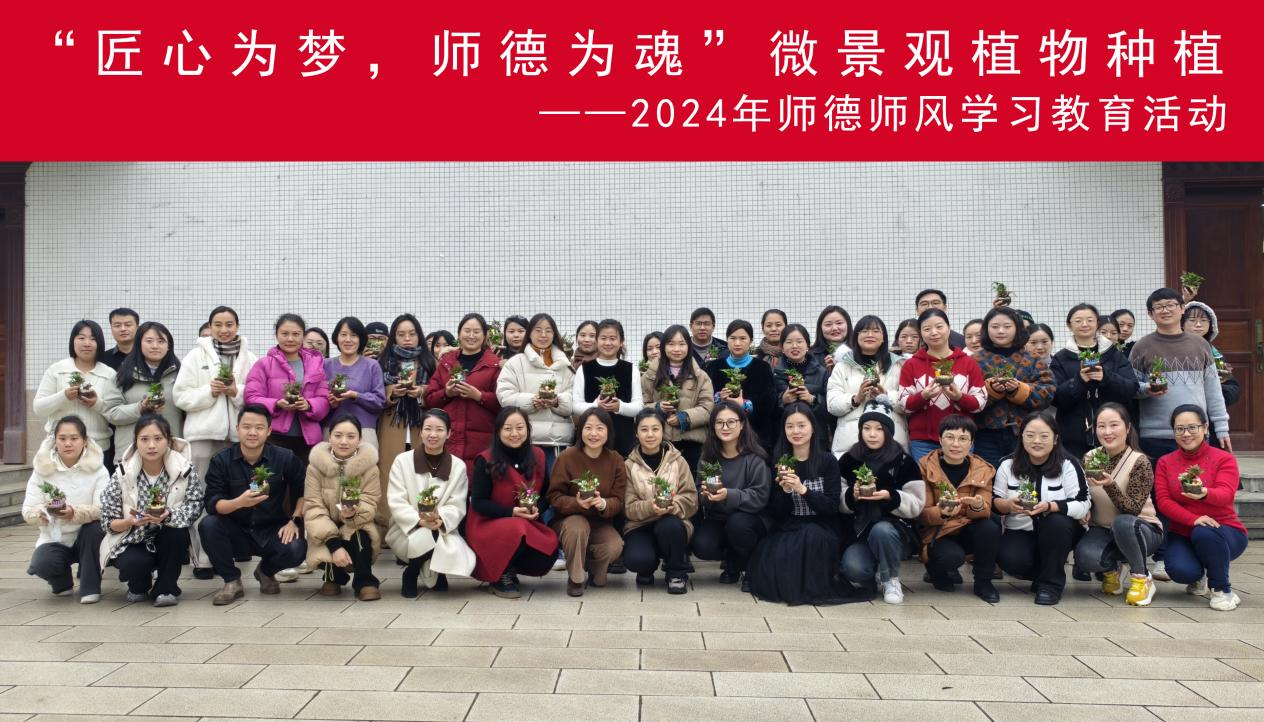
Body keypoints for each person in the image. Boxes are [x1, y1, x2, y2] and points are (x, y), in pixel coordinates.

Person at [199, 404, 307, 605]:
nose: (252, 432)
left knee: (296, 547)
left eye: (259, 427)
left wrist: (295, 520)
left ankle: (265, 571)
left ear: (269, 431)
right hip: (236, 529)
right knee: (208, 525)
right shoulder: (221, 461)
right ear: (237, 429)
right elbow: (212, 503)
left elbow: (303, 491)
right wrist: (238, 503)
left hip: (272, 528)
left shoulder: (284, 458)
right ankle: (232, 580)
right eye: (247, 427)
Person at [748, 402, 850, 605]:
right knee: (777, 552)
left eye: (801, 425)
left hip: (822, 527)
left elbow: (831, 506)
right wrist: (786, 491)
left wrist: (802, 489)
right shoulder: (779, 461)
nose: (796, 431)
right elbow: (776, 512)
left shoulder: (827, 461)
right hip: (790, 526)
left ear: (813, 428)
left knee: (810, 537)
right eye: (790, 426)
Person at [99, 415, 204, 606]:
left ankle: (166, 589)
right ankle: (139, 584)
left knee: (177, 534)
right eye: (144, 439)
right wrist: (130, 521)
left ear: (168, 440)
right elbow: (108, 518)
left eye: (158, 438)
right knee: (134, 567)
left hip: (167, 535)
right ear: (136, 442)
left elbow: (195, 504)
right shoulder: (123, 473)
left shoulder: (184, 469)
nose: (151, 445)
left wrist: (169, 515)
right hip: (133, 537)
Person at [1154, 404, 1247, 611]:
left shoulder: (1224, 458)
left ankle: (1222, 589)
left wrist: (1204, 493)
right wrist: (1193, 519)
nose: (1186, 434)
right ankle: (1199, 575)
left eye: (1192, 427)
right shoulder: (1165, 462)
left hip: (1224, 530)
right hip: (1183, 531)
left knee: (1204, 532)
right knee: (1180, 570)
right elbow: (1164, 501)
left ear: (1205, 428)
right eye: (1179, 429)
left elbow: (1226, 494)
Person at [994, 410, 1090, 605]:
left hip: (1060, 532)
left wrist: (1051, 506)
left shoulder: (1069, 464)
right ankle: (1042, 573)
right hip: (1021, 531)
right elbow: (995, 502)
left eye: (1044, 436)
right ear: (1021, 437)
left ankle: (1051, 585)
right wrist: (1009, 504)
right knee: (1009, 558)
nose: (1036, 441)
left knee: (1055, 521)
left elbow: (1083, 503)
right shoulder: (1007, 464)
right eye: (1030, 435)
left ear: (1055, 439)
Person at [1072, 403, 1162, 607]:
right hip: (1103, 528)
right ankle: (1114, 570)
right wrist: (1085, 509)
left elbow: (1132, 509)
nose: (1107, 432)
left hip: (1141, 529)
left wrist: (1110, 485)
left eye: (1114, 425)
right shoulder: (1090, 457)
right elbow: (1085, 494)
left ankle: (1142, 577)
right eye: (1101, 426)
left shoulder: (1140, 461)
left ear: (1127, 428)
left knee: (1123, 523)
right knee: (1085, 558)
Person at [465, 407, 560, 599]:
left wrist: (537, 509)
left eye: (520, 427)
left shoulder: (538, 456)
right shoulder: (486, 460)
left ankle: (510, 566)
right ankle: (500, 575)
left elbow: (546, 494)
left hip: (526, 521)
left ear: (528, 429)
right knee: (517, 528)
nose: (514, 433)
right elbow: (479, 503)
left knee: (549, 549)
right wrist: (511, 512)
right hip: (487, 525)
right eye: (508, 428)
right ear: (498, 431)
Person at [1130, 288, 1231, 460]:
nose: (1165, 310)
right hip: (1156, 435)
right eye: (1159, 307)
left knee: (1195, 478)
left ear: (1182, 308)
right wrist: (1147, 389)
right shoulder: (1141, 347)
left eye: (1171, 305)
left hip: (1195, 432)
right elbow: (1131, 388)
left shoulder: (1201, 345)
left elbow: (1213, 391)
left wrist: (1222, 428)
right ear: (1150, 314)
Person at [839, 405, 925, 604]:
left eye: (879, 429)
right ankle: (874, 572)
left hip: (895, 533)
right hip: (860, 532)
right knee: (854, 569)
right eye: (867, 428)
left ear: (888, 431)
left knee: (882, 530)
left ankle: (890, 579)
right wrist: (852, 495)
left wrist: (891, 496)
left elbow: (917, 504)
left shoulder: (903, 461)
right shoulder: (849, 459)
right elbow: (837, 499)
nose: (872, 434)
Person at [386, 409, 477, 597]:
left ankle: (428, 567)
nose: (433, 434)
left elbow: (457, 504)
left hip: (442, 527)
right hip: (406, 528)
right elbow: (396, 500)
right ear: (420, 432)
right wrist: (419, 521)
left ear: (449, 433)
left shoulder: (458, 466)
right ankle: (412, 571)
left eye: (439, 430)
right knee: (424, 534)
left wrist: (440, 518)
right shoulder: (402, 461)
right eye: (428, 429)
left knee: (434, 533)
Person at [22, 416, 109, 604]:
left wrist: (73, 512)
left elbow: (103, 509)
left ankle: (90, 588)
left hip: (87, 537)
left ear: (84, 441)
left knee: (94, 529)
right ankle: (62, 583)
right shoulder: (42, 469)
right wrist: (43, 512)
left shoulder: (99, 470)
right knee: (42, 564)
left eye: (74, 438)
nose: (68, 443)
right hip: (54, 537)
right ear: (55, 441)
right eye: (62, 438)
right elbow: (28, 511)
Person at [917, 415, 1001, 602]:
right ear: (940, 439)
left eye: (963, 439)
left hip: (968, 526)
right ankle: (936, 572)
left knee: (990, 526)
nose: (956, 444)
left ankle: (983, 582)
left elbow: (986, 509)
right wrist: (941, 512)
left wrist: (977, 506)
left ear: (971, 443)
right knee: (949, 558)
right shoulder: (925, 467)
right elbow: (921, 513)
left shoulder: (983, 469)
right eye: (950, 437)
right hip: (940, 531)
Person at [690, 401, 770, 592]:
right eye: (719, 423)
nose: (725, 427)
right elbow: (699, 490)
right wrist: (706, 495)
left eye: (731, 422)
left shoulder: (754, 458)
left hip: (750, 519)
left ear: (742, 424)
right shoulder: (708, 456)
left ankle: (752, 567)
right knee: (702, 546)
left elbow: (760, 496)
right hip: (718, 517)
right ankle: (733, 560)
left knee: (738, 524)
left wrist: (729, 495)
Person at [547, 408, 627, 596]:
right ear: (580, 430)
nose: (593, 434)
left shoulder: (615, 459)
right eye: (588, 427)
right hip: (569, 521)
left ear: (608, 431)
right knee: (578, 526)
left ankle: (593, 569)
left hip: (599, 523)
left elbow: (619, 500)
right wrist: (576, 504)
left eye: (600, 428)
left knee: (614, 545)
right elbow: (553, 496)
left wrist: (603, 503)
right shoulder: (567, 457)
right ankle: (576, 578)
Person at [303, 415, 383, 601]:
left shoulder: (370, 467)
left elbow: (371, 501)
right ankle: (333, 576)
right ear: (329, 436)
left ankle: (364, 581)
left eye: (351, 436)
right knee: (323, 536)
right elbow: (313, 507)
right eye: (338, 435)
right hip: (325, 526)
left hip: (356, 523)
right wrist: (334, 544)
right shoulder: (315, 467)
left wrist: (354, 513)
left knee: (361, 537)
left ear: (360, 439)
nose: (344, 441)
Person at [173, 306, 258, 479]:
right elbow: (180, 396)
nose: (224, 330)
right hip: (202, 436)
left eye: (229, 325)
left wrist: (237, 392)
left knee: (236, 484)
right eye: (218, 325)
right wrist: (209, 392)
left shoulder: (250, 359)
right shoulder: (195, 356)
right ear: (210, 327)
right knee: (199, 484)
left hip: (239, 436)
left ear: (237, 326)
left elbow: (258, 395)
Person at [622, 409, 698, 594]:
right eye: (644, 429)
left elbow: (691, 498)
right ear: (636, 433)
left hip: (672, 522)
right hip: (640, 525)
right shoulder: (628, 465)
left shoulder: (678, 461)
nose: (650, 434)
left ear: (663, 431)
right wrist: (651, 506)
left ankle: (676, 573)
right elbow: (628, 507)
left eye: (655, 429)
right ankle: (647, 567)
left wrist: (672, 505)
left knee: (669, 526)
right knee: (637, 560)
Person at [897, 309, 986, 462]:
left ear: (949, 328)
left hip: (960, 438)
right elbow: (903, 405)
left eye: (939, 327)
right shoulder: (911, 364)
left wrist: (960, 397)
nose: (934, 332)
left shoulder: (968, 362)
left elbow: (980, 403)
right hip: (923, 441)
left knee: (959, 478)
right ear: (921, 333)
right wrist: (923, 396)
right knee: (926, 478)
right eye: (927, 329)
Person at [1050, 304, 1138, 459]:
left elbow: (1131, 388)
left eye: (1090, 320)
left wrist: (1106, 377)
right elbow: (1055, 398)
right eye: (1078, 321)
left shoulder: (1113, 354)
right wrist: (1079, 381)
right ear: (1069, 326)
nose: (1084, 324)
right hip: (1073, 437)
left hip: (1112, 435)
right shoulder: (1061, 358)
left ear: (1097, 323)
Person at [972, 307, 1055, 469]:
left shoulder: (1032, 358)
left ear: (1017, 328)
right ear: (986, 329)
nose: (1001, 331)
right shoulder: (975, 360)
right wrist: (991, 391)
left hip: (1025, 433)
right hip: (985, 434)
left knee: (1023, 477)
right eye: (995, 326)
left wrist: (1018, 390)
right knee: (987, 476)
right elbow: (966, 395)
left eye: (1007, 326)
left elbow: (1048, 391)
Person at [496, 313, 575, 476]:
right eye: (538, 330)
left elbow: (575, 398)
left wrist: (557, 401)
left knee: (554, 487)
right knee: (526, 488)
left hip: (557, 443)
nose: (543, 335)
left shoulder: (565, 365)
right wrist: (532, 401)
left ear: (554, 334)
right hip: (525, 441)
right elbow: (504, 396)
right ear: (530, 333)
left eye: (548, 331)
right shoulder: (515, 363)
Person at [245, 314, 330, 464]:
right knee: (273, 478)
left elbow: (324, 399)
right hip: (273, 437)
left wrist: (309, 405)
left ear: (303, 336)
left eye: (296, 334)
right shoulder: (264, 364)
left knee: (304, 478)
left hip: (307, 440)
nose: (290, 339)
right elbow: (251, 397)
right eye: (285, 334)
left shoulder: (315, 364)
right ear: (276, 335)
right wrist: (276, 404)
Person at [33, 320, 117, 470]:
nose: (87, 343)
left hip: (97, 449)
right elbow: (39, 408)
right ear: (73, 341)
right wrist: (63, 396)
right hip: (60, 448)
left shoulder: (109, 374)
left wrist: (96, 403)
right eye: (81, 338)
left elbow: (115, 414)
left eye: (93, 339)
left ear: (99, 344)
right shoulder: (57, 370)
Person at [424, 313, 503, 470]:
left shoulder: (495, 365)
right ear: (459, 334)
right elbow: (429, 400)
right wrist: (446, 394)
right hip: (448, 440)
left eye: (476, 331)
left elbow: (503, 403)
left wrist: (479, 396)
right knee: (447, 481)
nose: (471, 336)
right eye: (467, 331)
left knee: (477, 480)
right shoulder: (446, 362)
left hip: (482, 442)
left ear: (485, 335)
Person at [827, 315, 907, 456]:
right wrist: (855, 399)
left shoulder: (899, 365)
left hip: (892, 443)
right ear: (856, 336)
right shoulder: (842, 365)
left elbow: (908, 403)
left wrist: (886, 396)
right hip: (850, 443)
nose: (870, 335)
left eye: (876, 331)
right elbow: (832, 404)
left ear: (884, 337)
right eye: (864, 331)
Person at [102, 321, 184, 457]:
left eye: (161, 341)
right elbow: (111, 412)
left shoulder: (181, 375)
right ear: (139, 344)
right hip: (131, 453)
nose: (155, 346)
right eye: (149, 341)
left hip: (171, 452)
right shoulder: (122, 376)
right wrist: (140, 408)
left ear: (168, 345)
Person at [642, 325, 714, 475]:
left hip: (692, 445)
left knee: (691, 483)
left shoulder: (701, 376)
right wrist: (658, 408)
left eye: (682, 344)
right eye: (671, 344)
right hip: (660, 443)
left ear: (689, 346)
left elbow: (708, 408)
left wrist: (684, 417)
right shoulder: (650, 375)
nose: (676, 349)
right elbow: (642, 404)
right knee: (661, 485)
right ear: (663, 347)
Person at [377, 313, 437, 485]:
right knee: (390, 473)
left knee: (421, 476)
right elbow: (374, 393)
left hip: (422, 423)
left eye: (412, 334)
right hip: (391, 424)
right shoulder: (382, 362)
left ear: (419, 335)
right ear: (394, 337)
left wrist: (422, 391)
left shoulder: (430, 362)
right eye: (401, 334)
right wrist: (392, 392)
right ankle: (387, 505)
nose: (407, 339)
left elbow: (439, 392)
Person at [705, 320, 778, 453]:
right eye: (733, 338)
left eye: (743, 338)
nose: (737, 343)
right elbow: (705, 398)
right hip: (722, 435)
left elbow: (770, 402)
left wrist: (745, 404)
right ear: (727, 340)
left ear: (751, 341)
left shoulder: (762, 367)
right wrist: (719, 398)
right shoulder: (714, 367)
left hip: (756, 436)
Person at [572, 319, 644, 455]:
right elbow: (575, 406)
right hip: (591, 440)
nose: (608, 343)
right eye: (603, 338)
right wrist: (595, 405)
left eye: (612, 338)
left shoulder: (630, 369)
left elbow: (639, 406)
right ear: (597, 340)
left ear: (621, 342)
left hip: (623, 438)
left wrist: (620, 407)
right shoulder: (585, 369)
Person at [323, 316, 387, 449]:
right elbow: (318, 398)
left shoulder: (372, 365)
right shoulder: (325, 365)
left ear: (361, 339)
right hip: (333, 431)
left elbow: (380, 401)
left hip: (364, 431)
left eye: (353, 335)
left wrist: (356, 396)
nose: (348, 340)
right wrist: (331, 403)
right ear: (336, 338)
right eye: (343, 335)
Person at [1182, 302, 1241, 414]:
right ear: (1182, 324)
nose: (1198, 324)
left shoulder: (1214, 352)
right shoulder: (1174, 349)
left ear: (1211, 325)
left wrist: (1217, 385)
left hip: (1209, 412)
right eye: (1192, 320)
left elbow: (1232, 390)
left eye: (1204, 320)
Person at [772, 324, 830, 433]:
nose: (794, 346)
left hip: (816, 433)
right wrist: (782, 400)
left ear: (807, 346)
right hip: (784, 433)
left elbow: (831, 408)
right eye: (789, 342)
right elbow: (766, 409)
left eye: (799, 341)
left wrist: (812, 400)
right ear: (782, 348)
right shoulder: (774, 374)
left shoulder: (822, 372)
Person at [811, 305, 852, 372]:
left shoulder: (859, 352)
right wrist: (826, 373)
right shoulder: (810, 356)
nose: (834, 328)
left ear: (848, 325)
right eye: (828, 324)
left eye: (839, 323)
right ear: (820, 328)